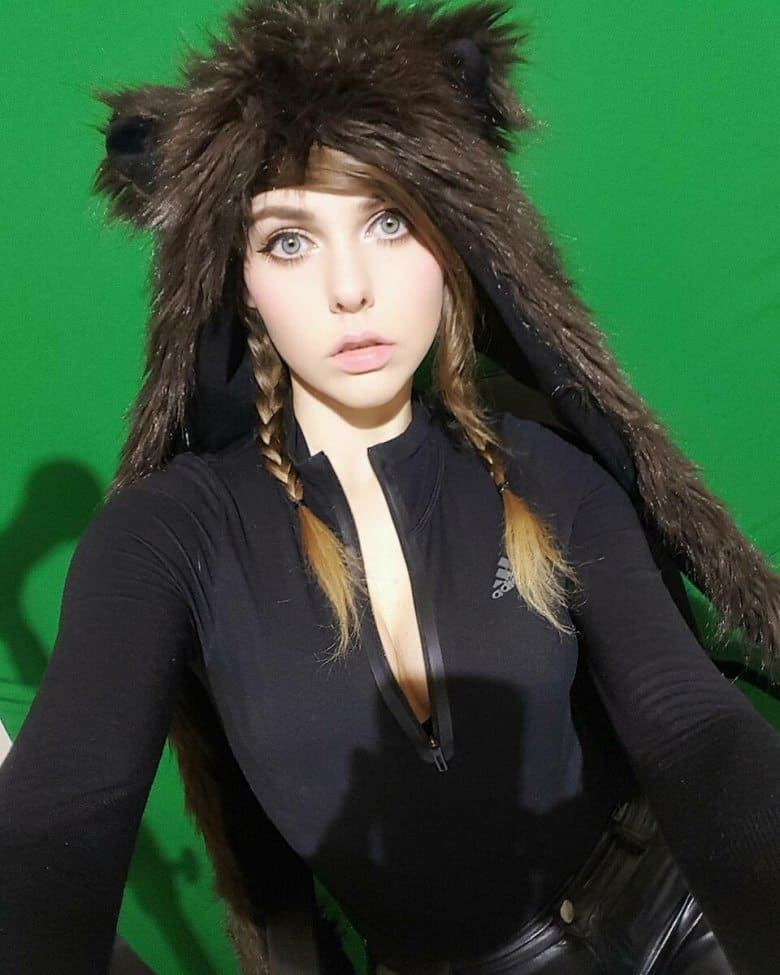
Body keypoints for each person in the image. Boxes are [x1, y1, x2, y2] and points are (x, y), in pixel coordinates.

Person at [1, 0, 779, 973]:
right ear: (239, 278)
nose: (350, 288)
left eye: (389, 221)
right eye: (289, 240)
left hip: (676, 904)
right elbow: (63, 821)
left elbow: (695, 729)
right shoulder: (167, 538)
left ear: (450, 241)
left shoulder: (544, 469)